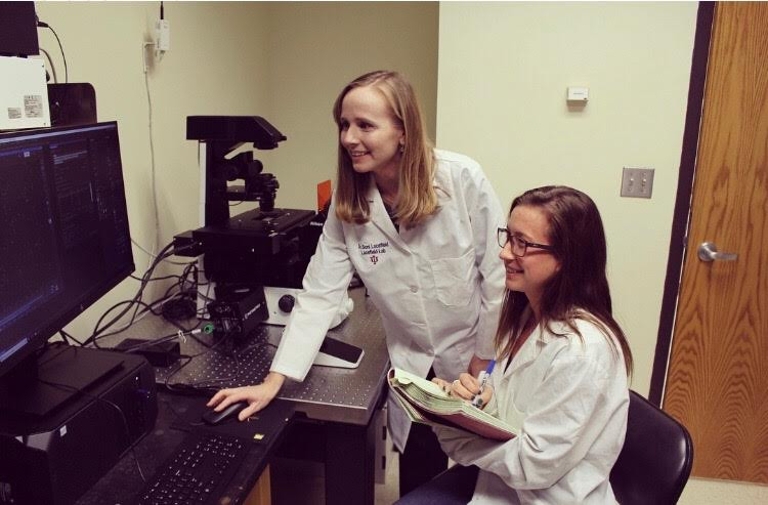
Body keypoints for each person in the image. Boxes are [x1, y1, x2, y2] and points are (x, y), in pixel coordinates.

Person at [207, 70, 506, 495]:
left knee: (491, 480)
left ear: (403, 131)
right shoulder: (349, 205)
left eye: (365, 125)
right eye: (344, 124)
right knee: (421, 480)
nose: (349, 137)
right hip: (414, 368)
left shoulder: (461, 179)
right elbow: (319, 296)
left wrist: (482, 360)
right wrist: (275, 380)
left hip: (475, 359)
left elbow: (498, 276)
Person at [431, 185, 634, 504]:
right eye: (508, 237)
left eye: (522, 243)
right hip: (500, 488)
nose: (505, 253)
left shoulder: (583, 349)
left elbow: (534, 465)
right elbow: (518, 409)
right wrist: (477, 403)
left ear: (566, 257)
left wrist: (453, 432)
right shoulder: (525, 313)